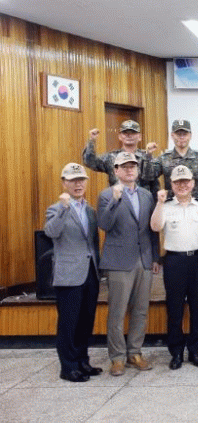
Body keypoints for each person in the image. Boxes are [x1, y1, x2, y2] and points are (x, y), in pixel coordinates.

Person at [97, 152, 160, 376]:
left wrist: (155, 257)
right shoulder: (106, 195)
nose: (129, 170)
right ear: (116, 171)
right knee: (117, 312)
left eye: (133, 166)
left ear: (138, 170)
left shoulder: (146, 195)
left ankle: (135, 353)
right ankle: (117, 357)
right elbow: (104, 224)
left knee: (141, 310)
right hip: (119, 261)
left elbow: (152, 229)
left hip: (144, 259)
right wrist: (115, 201)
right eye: (124, 166)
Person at [150, 165, 198, 370]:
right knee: (175, 309)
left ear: (193, 183)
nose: (182, 185)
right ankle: (176, 352)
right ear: (171, 184)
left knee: (197, 308)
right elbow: (155, 227)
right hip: (174, 262)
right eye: (178, 182)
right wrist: (159, 203)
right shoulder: (165, 206)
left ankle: (195, 351)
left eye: (186, 181)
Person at [43, 163, 101, 382]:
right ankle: (68, 367)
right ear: (64, 183)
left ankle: (82, 361)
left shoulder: (90, 210)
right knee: (69, 323)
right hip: (69, 275)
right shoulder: (55, 209)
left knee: (86, 321)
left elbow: (93, 243)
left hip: (90, 273)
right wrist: (64, 208)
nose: (78, 184)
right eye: (73, 180)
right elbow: (51, 232)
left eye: (81, 180)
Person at [142, 119, 198, 206]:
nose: (181, 137)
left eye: (185, 134)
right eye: (178, 134)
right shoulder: (164, 158)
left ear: (190, 135)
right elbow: (148, 177)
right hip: (172, 206)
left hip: (196, 206)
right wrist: (148, 155)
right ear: (172, 135)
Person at [82, 119, 160, 198]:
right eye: (125, 133)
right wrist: (91, 141)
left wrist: (148, 156)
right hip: (117, 201)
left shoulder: (147, 157)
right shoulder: (111, 157)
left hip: (141, 201)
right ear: (119, 136)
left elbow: (154, 183)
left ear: (140, 137)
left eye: (133, 132)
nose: (129, 135)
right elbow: (89, 162)